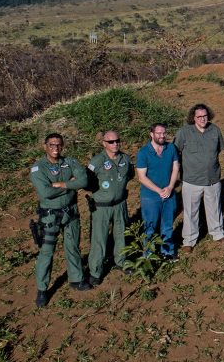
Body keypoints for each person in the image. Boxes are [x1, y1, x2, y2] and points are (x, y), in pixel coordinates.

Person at [30, 133, 91, 307]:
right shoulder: (38, 168)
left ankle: (76, 279)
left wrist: (60, 184)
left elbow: (84, 180)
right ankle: (42, 289)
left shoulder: (70, 162)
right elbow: (45, 193)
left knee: (73, 247)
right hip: (50, 216)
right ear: (45, 146)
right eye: (51, 145)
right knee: (46, 252)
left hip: (71, 213)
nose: (55, 148)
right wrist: (70, 184)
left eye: (58, 145)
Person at [174, 104, 224, 250]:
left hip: (212, 179)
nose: (203, 119)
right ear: (193, 117)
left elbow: (218, 151)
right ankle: (189, 241)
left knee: (215, 209)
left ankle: (218, 234)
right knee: (191, 211)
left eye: (205, 116)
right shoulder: (184, 132)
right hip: (191, 180)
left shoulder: (214, 130)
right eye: (199, 117)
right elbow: (176, 153)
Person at [86, 130, 132, 286]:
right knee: (99, 239)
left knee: (122, 235)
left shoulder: (125, 159)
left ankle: (122, 261)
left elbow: (129, 175)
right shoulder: (97, 161)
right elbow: (88, 182)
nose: (115, 144)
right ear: (104, 143)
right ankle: (95, 271)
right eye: (111, 141)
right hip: (101, 207)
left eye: (117, 140)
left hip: (120, 204)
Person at [136, 123, 180, 261]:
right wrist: (158, 190)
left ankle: (167, 251)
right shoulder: (143, 152)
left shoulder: (171, 148)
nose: (162, 136)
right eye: (158, 133)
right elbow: (142, 177)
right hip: (150, 197)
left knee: (167, 225)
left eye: (163, 133)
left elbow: (175, 168)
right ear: (151, 134)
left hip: (169, 194)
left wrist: (171, 187)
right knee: (150, 226)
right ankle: (148, 254)